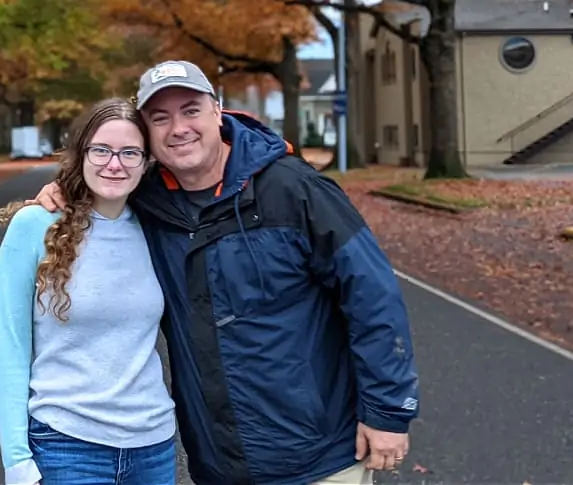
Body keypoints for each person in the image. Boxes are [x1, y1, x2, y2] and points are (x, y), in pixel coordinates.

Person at [34, 60, 419, 485]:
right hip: (219, 464)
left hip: (318, 458)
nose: (178, 128)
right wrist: (67, 193)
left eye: (191, 110)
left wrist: (387, 411)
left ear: (218, 111)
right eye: (160, 118)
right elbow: (104, 183)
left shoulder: (293, 190)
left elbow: (373, 297)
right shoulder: (147, 204)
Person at [0, 98, 177, 485]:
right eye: (102, 150)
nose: (115, 163)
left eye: (130, 152)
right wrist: (16, 460)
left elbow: (205, 136)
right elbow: (8, 345)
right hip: (66, 446)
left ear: (147, 162)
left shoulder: (161, 226)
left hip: (153, 446)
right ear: (81, 154)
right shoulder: (34, 225)